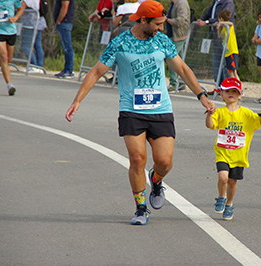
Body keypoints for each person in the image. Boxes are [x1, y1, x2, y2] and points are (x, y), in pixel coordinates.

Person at [65, 0, 215, 225]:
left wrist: (201, 95)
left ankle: (156, 179)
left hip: (160, 109)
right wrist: (77, 100)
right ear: (143, 20)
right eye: (158, 24)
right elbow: (96, 71)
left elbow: (182, 69)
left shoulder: (162, 41)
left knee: (164, 161)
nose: (162, 28)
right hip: (131, 110)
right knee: (137, 159)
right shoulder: (120, 43)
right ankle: (141, 208)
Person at [205, 77, 261, 220]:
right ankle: (221, 197)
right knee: (223, 176)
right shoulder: (220, 112)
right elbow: (210, 125)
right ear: (222, 94)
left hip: (239, 155)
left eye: (234, 91)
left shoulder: (246, 113)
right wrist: (209, 114)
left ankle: (229, 203)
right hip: (223, 153)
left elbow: (259, 120)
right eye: (227, 91)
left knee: (232, 182)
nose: (231, 94)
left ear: (240, 95)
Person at [197, 0, 235, 95]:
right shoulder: (216, 2)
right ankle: (219, 87)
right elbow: (208, 13)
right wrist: (202, 20)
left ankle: (231, 89)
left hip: (226, 41)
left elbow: (227, 19)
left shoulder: (228, 2)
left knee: (229, 67)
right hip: (216, 36)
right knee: (216, 62)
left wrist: (207, 22)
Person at [0, 0, 24, 96]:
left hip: (10, 31)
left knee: (8, 59)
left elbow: (20, 9)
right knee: (4, 56)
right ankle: (9, 85)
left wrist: (15, 18)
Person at [165, 0, 190, 92]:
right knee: (180, 60)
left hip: (179, 36)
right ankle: (182, 83)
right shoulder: (173, 3)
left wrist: (167, 20)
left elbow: (180, 21)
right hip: (173, 35)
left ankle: (173, 83)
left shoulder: (181, 3)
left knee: (171, 58)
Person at [20, 0, 47, 73]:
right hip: (39, 22)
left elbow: (22, 5)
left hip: (30, 23)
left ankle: (34, 65)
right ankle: (39, 66)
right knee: (37, 44)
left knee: (25, 46)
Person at [216, 8, 239, 80]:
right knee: (231, 72)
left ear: (221, 19)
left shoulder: (229, 26)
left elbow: (231, 23)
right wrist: (218, 29)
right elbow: (219, 36)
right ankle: (236, 86)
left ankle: (237, 87)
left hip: (232, 51)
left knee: (232, 72)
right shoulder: (224, 28)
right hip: (227, 52)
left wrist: (221, 23)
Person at [54, 0, 75, 78]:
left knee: (67, 47)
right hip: (64, 22)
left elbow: (65, 6)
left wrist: (59, 20)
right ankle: (66, 69)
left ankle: (69, 70)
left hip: (64, 22)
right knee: (65, 47)